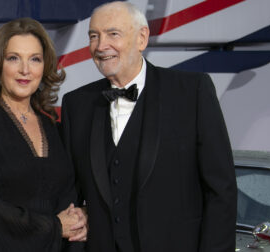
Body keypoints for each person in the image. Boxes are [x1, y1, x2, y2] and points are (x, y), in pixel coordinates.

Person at [61, 2, 237, 252]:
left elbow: (221, 191)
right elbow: (70, 196)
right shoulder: (76, 105)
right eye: (93, 36)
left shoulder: (192, 92)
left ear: (141, 38)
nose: (101, 46)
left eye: (113, 34)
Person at [0, 18, 86, 252]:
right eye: (13, 58)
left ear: (44, 67)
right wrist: (54, 226)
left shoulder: (54, 126)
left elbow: (68, 196)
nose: (25, 69)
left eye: (35, 59)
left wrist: (82, 217)